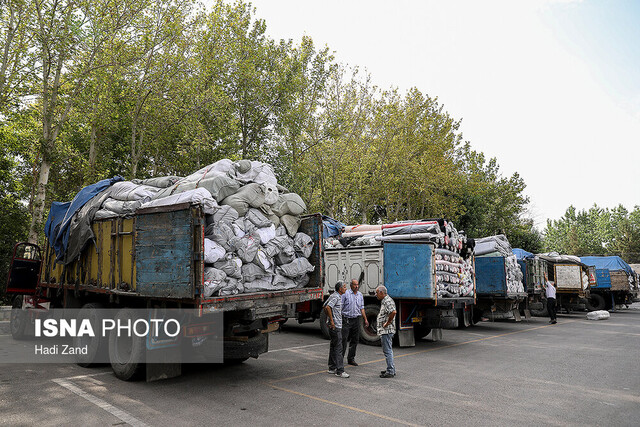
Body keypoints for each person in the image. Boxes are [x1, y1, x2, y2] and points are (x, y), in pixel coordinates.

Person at [341, 278, 369, 366]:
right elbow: (340, 306)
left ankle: (351, 358)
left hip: (356, 320)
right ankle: (340, 359)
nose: (356, 286)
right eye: (354, 285)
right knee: (344, 340)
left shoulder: (360, 295)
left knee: (355, 340)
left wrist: (365, 319)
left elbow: (362, 308)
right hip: (346, 319)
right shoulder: (346, 294)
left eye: (357, 285)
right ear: (351, 285)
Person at [324, 281, 349, 378]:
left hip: (335, 325)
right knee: (339, 348)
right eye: (344, 287)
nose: (345, 289)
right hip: (336, 326)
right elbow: (327, 307)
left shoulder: (334, 295)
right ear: (340, 289)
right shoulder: (336, 297)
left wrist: (330, 320)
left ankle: (331, 367)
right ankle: (340, 370)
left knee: (333, 346)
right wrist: (332, 321)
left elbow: (325, 306)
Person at [375, 285, 396, 378]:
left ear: (381, 293)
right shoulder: (385, 301)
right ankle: (390, 369)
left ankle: (390, 371)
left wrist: (387, 323)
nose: (376, 295)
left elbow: (393, 312)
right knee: (388, 350)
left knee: (387, 351)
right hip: (385, 330)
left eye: (377, 293)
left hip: (387, 330)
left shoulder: (387, 301)